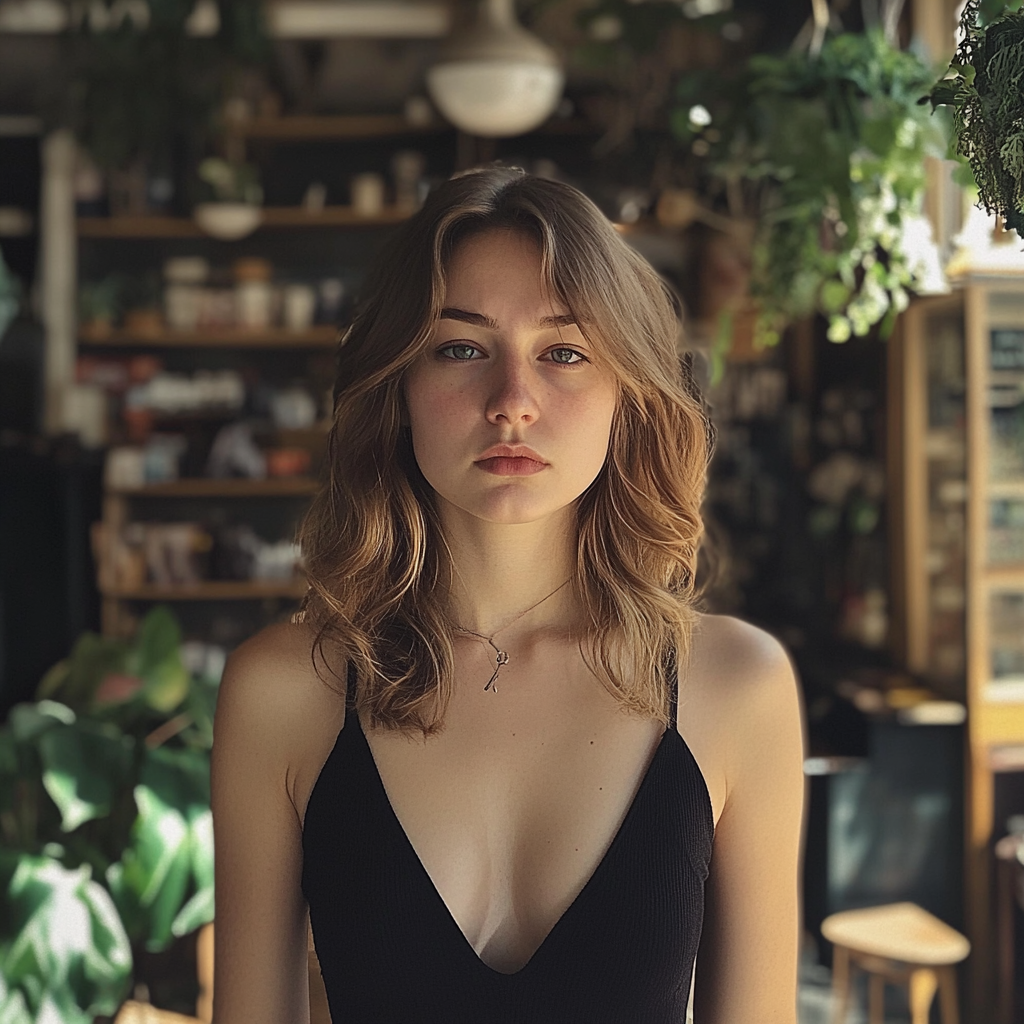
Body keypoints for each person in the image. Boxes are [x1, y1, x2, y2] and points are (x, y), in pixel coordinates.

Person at [211, 166, 805, 1024]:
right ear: (398, 386)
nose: (512, 403)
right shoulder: (283, 691)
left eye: (563, 352)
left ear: (627, 395)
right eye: (461, 348)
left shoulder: (736, 687)